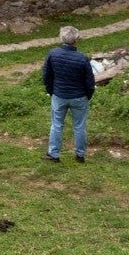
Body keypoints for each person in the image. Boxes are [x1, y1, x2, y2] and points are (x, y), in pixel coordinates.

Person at [42, 26, 95, 163]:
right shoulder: (82, 58)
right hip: (79, 97)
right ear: (76, 40)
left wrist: (51, 91)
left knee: (56, 125)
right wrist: (87, 95)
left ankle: (53, 154)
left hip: (59, 95)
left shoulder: (53, 54)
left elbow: (47, 75)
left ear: (61, 38)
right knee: (79, 126)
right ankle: (80, 155)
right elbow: (90, 81)